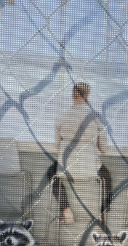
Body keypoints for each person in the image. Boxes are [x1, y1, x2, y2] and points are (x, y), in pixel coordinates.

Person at [48, 82, 113, 224]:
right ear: (87, 97)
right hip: (90, 168)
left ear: (72, 95)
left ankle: (66, 211)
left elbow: (58, 147)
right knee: (106, 178)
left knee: (51, 173)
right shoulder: (96, 120)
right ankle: (102, 215)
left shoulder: (61, 119)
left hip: (66, 167)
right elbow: (103, 149)